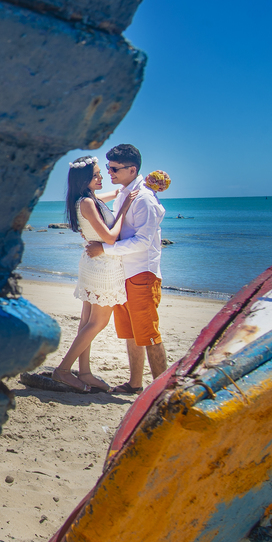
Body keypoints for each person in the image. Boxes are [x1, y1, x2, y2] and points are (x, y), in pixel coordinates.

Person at [51, 156, 139, 392]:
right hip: (103, 267)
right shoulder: (87, 203)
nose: (102, 177)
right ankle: (63, 370)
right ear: (84, 179)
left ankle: (86, 372)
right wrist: (124, 211)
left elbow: (112, 195)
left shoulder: (88, 199)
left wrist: (130, 188)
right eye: (96, 174)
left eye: (101, 173)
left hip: (94, 264)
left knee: (86, 322)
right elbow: (110, 238)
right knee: (98, 323)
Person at [86, 144, 167, 394]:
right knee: (131, 333)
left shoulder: (143, 198)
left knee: (149, 334)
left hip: (142, 273)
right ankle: (135, 384)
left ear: (132, 170)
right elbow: (91, 201)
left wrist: (104, 249)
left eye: (114, 169)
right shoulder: (125, 192)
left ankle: (162, 392)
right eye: (108, 168)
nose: (109, 172)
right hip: (124, 273)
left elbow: (143, 242)